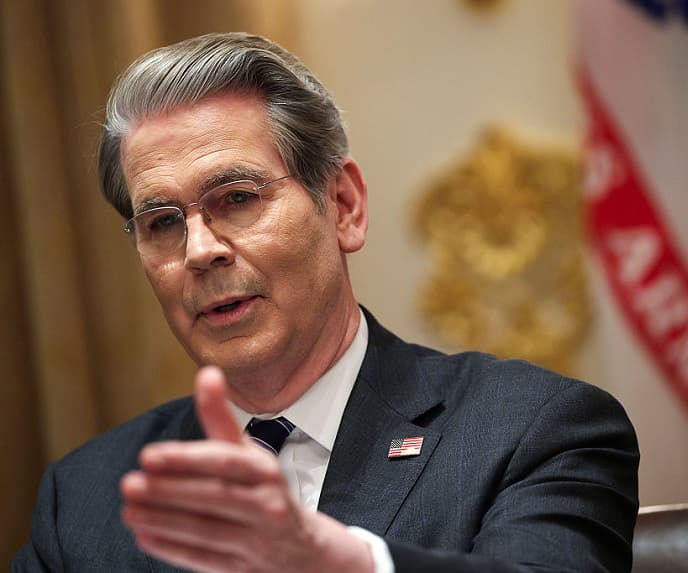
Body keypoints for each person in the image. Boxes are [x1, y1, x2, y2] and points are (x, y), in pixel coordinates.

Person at [14, 32, 638, 572]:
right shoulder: (88, 496)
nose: (199, 250)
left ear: (343, 206)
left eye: (236, 197)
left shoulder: (534, 430)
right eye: (161, 221)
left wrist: (341, 564)